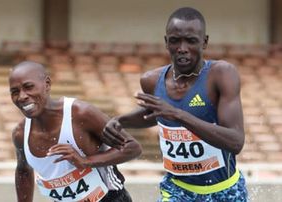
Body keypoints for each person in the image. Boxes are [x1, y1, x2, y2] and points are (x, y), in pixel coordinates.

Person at [103, 7, 248, 201]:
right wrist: (120, 120)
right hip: (177, 191)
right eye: (175, 40)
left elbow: (236, 141)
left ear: (204, 42)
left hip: (224, 191)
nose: (182, 48)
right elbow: (152, 113)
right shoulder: (151, 80)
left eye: (191, 40)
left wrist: (178, 114)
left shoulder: (221, 75)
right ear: (166, 42)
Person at [9, 61, 142, 202]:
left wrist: (86, 161)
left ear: (47, 84)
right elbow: (23, 171)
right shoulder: (20, 133)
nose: (22, 96)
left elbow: (132, 147)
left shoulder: (80, 114)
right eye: (15, 92)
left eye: (28, 87)